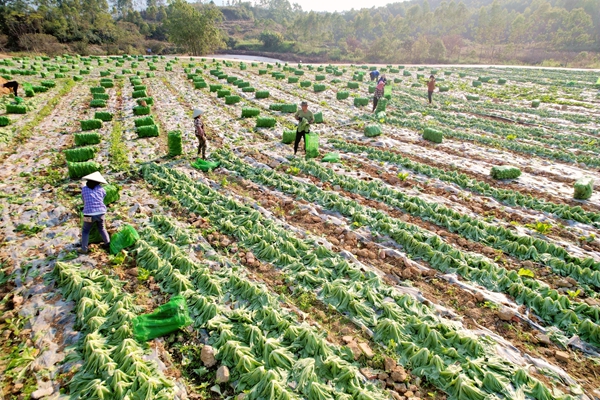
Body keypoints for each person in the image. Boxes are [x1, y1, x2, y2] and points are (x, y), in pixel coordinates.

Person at [80, 172, 110, 254]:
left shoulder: (84, 189)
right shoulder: (101, 189)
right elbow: (103, 198)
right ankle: (107, 243)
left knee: (85, 231)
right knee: (102, 228)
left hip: (88, 213)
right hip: (101, 212)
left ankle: (84, 249)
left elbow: (83, 200)